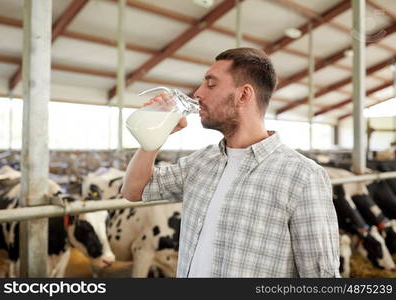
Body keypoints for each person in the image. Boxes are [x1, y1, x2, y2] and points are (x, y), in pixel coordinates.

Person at [122, 47, 340, 278]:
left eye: (211, 84)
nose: (198, 93)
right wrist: (155, 136)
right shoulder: (201, 162)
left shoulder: (302, 176)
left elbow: (320, 275)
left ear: (244, 95)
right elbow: (134, 190)